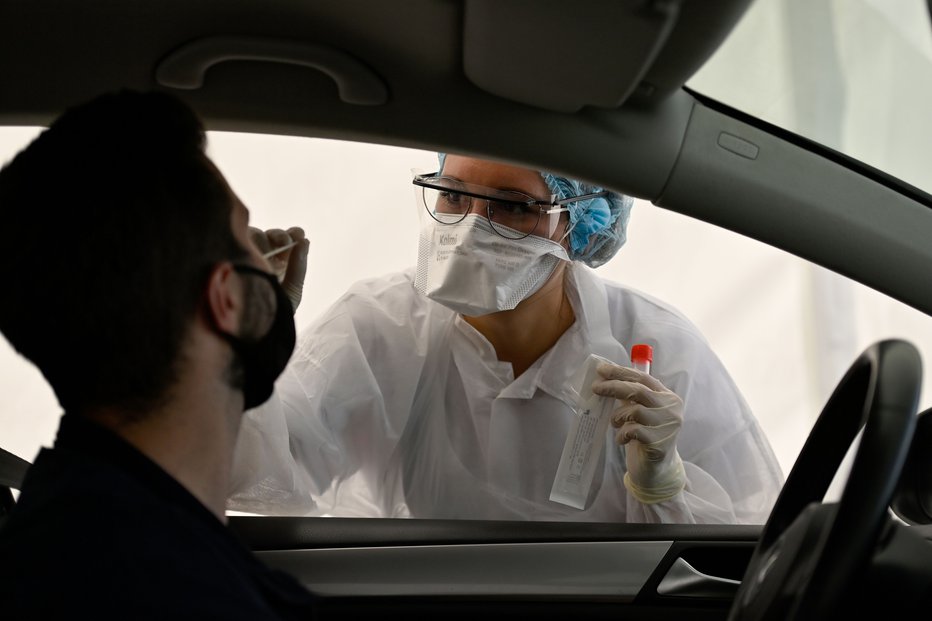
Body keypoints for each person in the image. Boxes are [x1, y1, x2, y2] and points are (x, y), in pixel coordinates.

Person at [229, 153, 784, 524]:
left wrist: (665, 487)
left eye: (513, 207)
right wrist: (244, 354)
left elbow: (749, 548)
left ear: (581, 223)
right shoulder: (381, 325)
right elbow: (264, 478)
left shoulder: (657, 346)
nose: (470, 226)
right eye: (452, 196)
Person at [0, 90, 316, 619]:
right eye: (246, 238)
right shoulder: (174, 592)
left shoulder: (76, 531)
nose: (267, 259)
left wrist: (259, 306)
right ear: (225, 298)